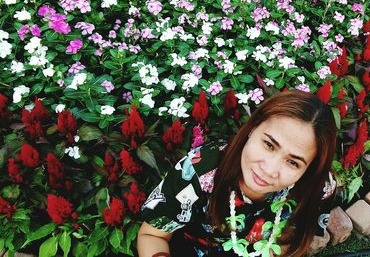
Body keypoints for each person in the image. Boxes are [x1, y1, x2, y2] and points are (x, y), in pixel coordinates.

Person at [137, 90, 337, 257]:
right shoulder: (199, 171)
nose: (268, 170)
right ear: (252, 128)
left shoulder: (319, 188)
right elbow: (152, 236)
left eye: (293, 162)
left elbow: (292, 240)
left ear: (310, 168)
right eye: (268, 144)